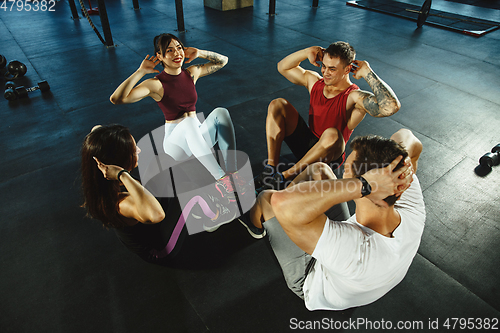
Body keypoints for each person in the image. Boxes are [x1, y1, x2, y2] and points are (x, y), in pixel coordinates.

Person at [239, 129, 424, 310]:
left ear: (362, 187)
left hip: (313, 277)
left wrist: (366, 183)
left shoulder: (356, 252)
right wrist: (397, 161)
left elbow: (280, 203)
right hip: (352, 267)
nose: (343, 174)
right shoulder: (409, 202)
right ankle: (291, 213)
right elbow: (406, 135)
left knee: (267, 199)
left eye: (347, 174)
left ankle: (253, 225)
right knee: (319, 170)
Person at [255, 41, 401, 191]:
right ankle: (270, 169)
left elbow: (390, 107)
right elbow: (282, 67)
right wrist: (306, 51)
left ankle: (284, 176)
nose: (325, 72)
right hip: (307, 145)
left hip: (329, 156)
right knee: (277, 104)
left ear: (347, 69)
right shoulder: (315, 81)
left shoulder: (353, 97)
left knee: (332, 134)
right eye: (324, 66)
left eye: (332, 69)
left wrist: (367, 73)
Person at [110, 33, 239, 201]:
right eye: (170, 50)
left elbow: (223, 61)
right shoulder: (156, 84)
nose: (177, 54)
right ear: (160, 56)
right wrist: (140, 72)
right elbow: (116, 99)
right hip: (176, 145)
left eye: (179, 48)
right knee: (187, 124)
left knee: (221, 112)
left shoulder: (191, 73)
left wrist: (198, 52)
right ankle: (221, 180)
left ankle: (233, 175)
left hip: (197, 138)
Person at [81, 124, 235, 264]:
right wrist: (123, 174)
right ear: (119, 163)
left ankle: (198, 203)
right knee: (190, 192)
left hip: (148, 222)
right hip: (159, 249)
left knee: (161, 160)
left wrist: (102, 135)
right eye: (134, 150)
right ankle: (216, 215)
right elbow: (157, 215)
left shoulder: (103, 182)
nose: (139, 150)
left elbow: (96, 130)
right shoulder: (122, 203)